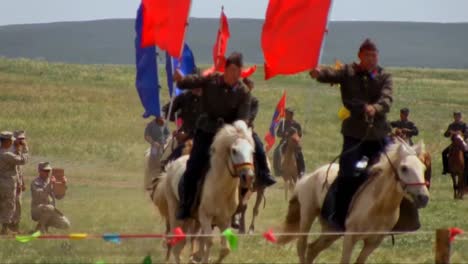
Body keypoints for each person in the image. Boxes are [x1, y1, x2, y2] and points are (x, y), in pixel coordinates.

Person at [309, 38, 393, 230]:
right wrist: (318, 73)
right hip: (354, 134)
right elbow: (331, 74)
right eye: (367, 55)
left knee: (396, 171)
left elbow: (387, 99)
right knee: (346, 173)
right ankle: (338, 215)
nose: (371, 59)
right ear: (360, 56)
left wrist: (376, 108)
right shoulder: (348, 72)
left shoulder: (384, 76)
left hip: (378, 134)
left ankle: (403, 216)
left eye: (374, 55)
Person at [174, 52, 252, 220]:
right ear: (225, 70)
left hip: (230, 136)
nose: (235, 74)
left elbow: (243, 116)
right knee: (194, 166)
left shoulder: (244, 91)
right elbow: (194, 81)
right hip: (207, 131)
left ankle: (239, 209)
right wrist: (181, 80)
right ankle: (186, 205)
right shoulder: (212, 80)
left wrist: (239, 130)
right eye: (232, 70)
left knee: (249, 165)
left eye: (238, 71)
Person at [243, 78, 276, 188]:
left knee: (260, 148)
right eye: (245, 85)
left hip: (247, 129)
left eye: (249, 86)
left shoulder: (254, 101)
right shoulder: (234, 98)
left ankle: (264, 173)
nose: (247, 88)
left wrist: (243, 122)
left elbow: (251, 116)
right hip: (233, 129)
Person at [162, 87, 202, 163]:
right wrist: (177, 115)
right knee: (168, 162)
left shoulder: (210, 98)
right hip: (184, 134)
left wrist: (187, 134)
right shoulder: (185, 96)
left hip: (204, 137)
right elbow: (166, 110)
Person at [0, 131, 28, 235]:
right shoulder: (6, 154)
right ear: (7, 141)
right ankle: (5, 229)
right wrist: (25, 148)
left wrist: (17, 149)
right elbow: (22, 160)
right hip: (7, 183)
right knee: (9, 204)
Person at [31, 162, 70, 233]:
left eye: (48, 171)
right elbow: (40, 196)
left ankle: (42, 226)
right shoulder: (35, 183)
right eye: (45, 171)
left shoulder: (52, 181)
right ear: (39, 171)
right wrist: (50, 185)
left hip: (50, 210)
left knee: (66, 224)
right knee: (49, 208)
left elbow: (59, 197)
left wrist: (63, 185)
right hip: (37, 210)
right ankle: (41, 229)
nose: (47, 173)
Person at [273, 108, 306, 177]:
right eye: (285, 114)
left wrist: (295, 133)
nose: (285, 116)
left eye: (287, 114)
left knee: (300, 154)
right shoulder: (282, 123)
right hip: (284, 141)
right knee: (276, 151)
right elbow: (278, 133)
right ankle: (278, 170)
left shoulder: (296, 124)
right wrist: (284, 133)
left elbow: (300, 135)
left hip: (294, 142)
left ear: (291, 115)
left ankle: (302, 170)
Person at [8, 130, 28, 233]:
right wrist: (25, 149)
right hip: (9, 181)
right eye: (19, 139)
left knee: (18, 203)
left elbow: (20, 169)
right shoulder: (10, 150)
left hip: (17, 181)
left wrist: (22, 182)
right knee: (10, 203)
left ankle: (15, 225)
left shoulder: (19, 149)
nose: (21, 141)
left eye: (23, 138)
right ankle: (7, 225)